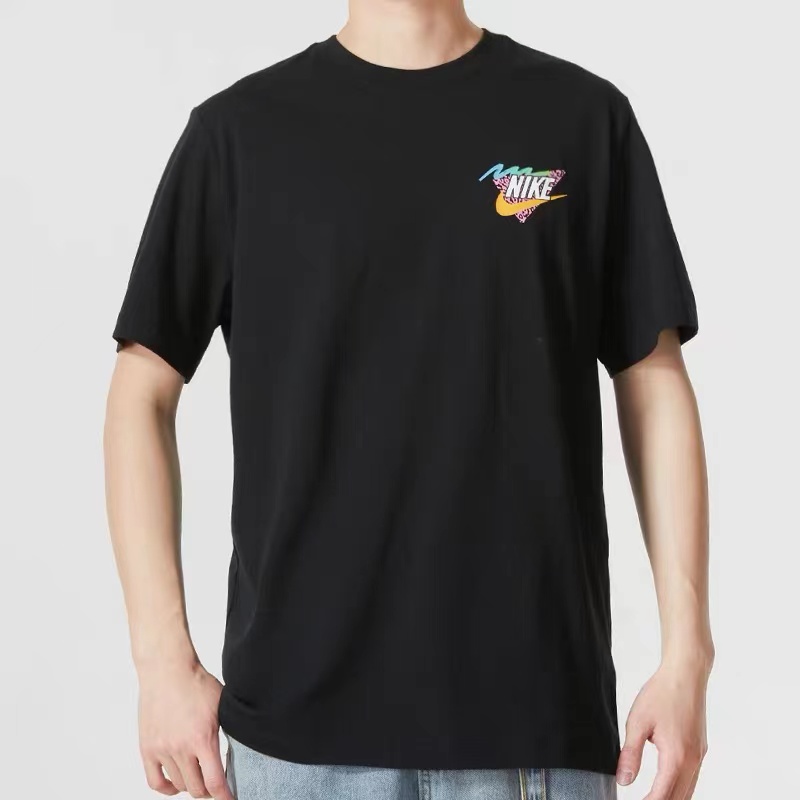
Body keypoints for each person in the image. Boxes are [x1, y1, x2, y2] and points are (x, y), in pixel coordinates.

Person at [103, 1, 713, 799]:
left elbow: (653, 379)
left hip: (533, 732)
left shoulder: (581, 120)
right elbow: (141, 390)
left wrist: (688, 656)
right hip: (299, 743)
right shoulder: (240, 134)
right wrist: (160, 663)